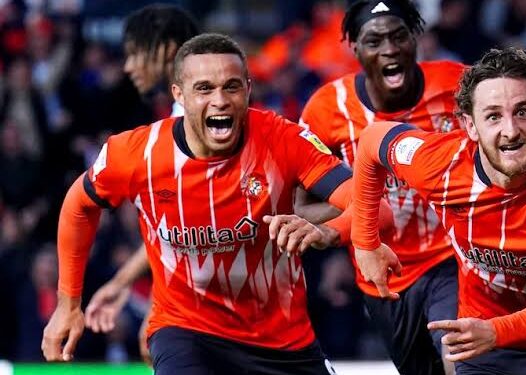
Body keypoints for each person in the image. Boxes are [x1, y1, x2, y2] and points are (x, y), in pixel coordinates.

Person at [41, 33, 395, 374]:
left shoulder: (284, 139)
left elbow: (375, 207)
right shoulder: (136, 154)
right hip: (186, 331)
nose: (220, 100)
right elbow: (78, 205)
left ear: (248, 90)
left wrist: (324, 232)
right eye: (204, 89)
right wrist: (68, 304)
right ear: (179, 95)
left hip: (282, 340)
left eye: (232, 86)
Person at [350, 48, 526, 374]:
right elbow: (371, 141)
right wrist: (365, 241)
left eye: (522, 112)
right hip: (490, 349)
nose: (510, 130)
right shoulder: (438, 164)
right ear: (470, 125)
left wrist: (496, 331)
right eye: (493, 116)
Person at [296, 1, 465, 374]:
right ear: (354, 48)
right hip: (382, 275)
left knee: (459, 356)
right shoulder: (328, 109)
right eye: (374, 41)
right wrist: (360, 211)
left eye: (398, 36)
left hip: (453, 259)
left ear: (415, 38)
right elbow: (302, 204)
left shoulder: (461, 85)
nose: (389, 49)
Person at [82, 4, 200, 363]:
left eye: (135, 53)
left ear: (166, 48)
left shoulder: (199, 115)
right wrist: (121, 283)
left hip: (221, 299)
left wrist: (158, 304)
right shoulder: (180, 113)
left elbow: (194, 221)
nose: (129, 66)